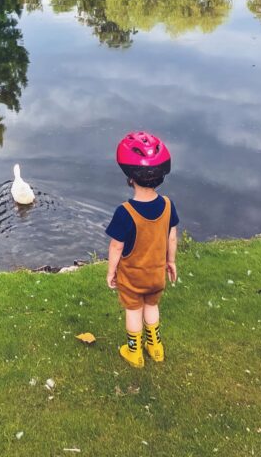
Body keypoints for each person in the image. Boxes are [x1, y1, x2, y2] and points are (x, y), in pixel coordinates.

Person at [105, 131, 178, 368]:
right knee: (152, 307)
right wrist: (171, 261)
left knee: (134, 311)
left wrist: (111, 272)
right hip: (156, 274)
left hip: (133, 277)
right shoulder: (168, 205)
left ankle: (134, 352)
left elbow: (116, 246)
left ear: (130, 178)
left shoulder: (125, 212)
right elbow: (172, 236)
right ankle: (156, 348)